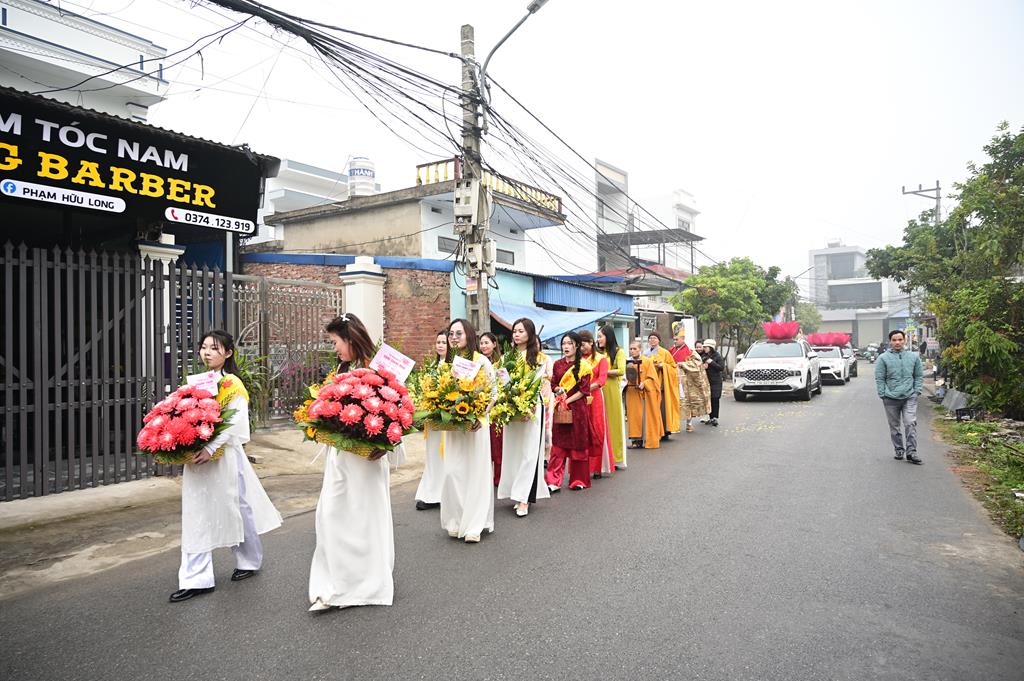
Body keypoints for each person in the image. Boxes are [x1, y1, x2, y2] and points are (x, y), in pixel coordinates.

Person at [171, 330, 282, 603]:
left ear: (228, 353)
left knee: (237, 508)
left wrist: (211, 447)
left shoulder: (232, 384)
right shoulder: (194, 385)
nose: (207, 352)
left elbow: (235, 423)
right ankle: (196, 577)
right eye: (204, 347)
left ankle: (249, 560)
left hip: (225, 458)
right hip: (197, 460)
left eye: (214, 348)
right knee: (196, 511)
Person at [308, 313, 402, 612]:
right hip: (341, 457)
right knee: (331, 515)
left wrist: (386, 444)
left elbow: (399, 413)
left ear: (349, 338)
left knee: (365, 517)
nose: (334, 348)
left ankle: (369, 583)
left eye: (335, 342)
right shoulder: (341, 369)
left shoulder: (380, 367)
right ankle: (334, 583)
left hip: (368, 459)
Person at [439, 319, 497, 542]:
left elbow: (492, 392)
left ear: (469, 335)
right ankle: (455, 519)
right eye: (451, 333)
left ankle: (475, 524)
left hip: (475, 425)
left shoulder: (482, 360)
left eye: (458, 333)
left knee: (475, 473)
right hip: (454, 427)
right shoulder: (449, 362)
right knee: (452, 471)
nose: (454, 337)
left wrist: (480, 416)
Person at [498, 318, 552, 517]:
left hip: (531, 409)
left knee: (530, 452)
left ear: (530, 333)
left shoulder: (539, 358)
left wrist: (529, 407)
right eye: (514, 331)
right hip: (512, 409)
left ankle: (524, 499)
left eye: (520, 331)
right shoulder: (506, 357)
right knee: (513, 451)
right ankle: (515, 491)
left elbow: (540, 386)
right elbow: (501, 381)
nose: (516, 334)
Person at [545, 332, 594, 491]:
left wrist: (567, 400)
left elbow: (584, 390)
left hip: (577, 410)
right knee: (558, 445)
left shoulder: (584, 366)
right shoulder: (557, 364)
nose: (566, 346)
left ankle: (578, 480)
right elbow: (553, 385)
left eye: (569, 343)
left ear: (577, 345)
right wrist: (558, 390)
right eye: (564, 343)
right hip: (560, 408)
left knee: (577, 444)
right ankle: (553, 480)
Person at [876, 329, 924, 465]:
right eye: (894, 340)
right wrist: (883, 393)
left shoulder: (914, 357)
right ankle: (899, 449)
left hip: (910, 396)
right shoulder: (883, 358)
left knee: (910, 423)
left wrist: (917, 391)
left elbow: (918, 376)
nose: (897, 342)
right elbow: (880, 378)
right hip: (890, 398)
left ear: (905, 340)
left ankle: (912, 452)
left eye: (900, 340)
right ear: (890, 341)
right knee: (895, 426)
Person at [415, 330, 448, 511]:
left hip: (446, 420)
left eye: (444, 342)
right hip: (432, 418)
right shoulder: (432, 366)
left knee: (444, 455)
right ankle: (430, 492)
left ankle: (443, 493)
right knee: (432, 456)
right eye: (438, 342)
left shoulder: (453, 366)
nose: (440, 345)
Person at [579, 330, 613, 478]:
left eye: (584, 344)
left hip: (596, 398)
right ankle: (582, 466)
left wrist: (586, 388)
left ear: (591, 342)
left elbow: (601, 380)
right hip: (579, 399)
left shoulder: (601, 359)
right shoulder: (578, 359)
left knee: (597, 430)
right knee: (581, 431)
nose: (581, 348)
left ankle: (598, 466)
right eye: (579, 345)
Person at [597, 324, 627, 470]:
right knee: (599, 423)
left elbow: (621, 370)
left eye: (600, 336)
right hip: (597, 389)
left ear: (608, 337)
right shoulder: (597, 353)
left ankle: (616, 457)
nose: (599, 339)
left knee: (613, 422)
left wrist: (603, 372)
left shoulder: (618, 351)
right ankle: (601, 458)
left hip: (611, 390)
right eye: (598, 337)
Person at [624, 340, 663, 449]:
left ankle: (645, 438)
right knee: (633, 416)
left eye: (635, 349)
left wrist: (644, 383)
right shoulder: (627, 362)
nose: (632, 351)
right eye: (631, 349)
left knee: (643, 416)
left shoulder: (647, 361)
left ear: (640, 349)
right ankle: (635, 439)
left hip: (643, 392)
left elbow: (653, 378)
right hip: (631, 392)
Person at [479, 332, 504, 487]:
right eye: (481, 343)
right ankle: (484, 476)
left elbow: (505, 384)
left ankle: (499, 477)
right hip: (482, 407)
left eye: (487, 342)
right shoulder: (478, 362)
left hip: (497, 408)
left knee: (497, 444)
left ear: (494, 344)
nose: (483, 346)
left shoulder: (500, 363)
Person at [645, 332, 681, 438]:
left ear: (659, 340)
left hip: (661, 384)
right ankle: (652, 430)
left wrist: (663, 366)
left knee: (662, 408)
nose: (652, 340)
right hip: (649, 383)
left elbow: (673, 367)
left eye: (654, 338)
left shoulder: (664, 353)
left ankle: (664, 430)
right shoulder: (645, 353)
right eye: (650, 338)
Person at [679, 342, 711, 431]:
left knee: (687, 402)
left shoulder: (690, 352)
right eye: (674, 339)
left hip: (687, 382)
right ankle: (672, 425)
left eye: (677, 339)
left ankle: (689, 423)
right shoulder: (670, 351)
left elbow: (696, 364)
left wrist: (683, 364)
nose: (675, 341)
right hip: (673, 379)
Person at [700, 339, 725, 427]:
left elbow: (721, 368)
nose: (704, 348)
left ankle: (715, 417)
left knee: (715, 398)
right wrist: (703, 366)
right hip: (707, 381)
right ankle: (710, 417)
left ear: (711, 348)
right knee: (709, 399)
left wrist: (711, 362)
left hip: (716, 381)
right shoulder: (703, 356)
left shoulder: (717, 356)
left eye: (706, 347)